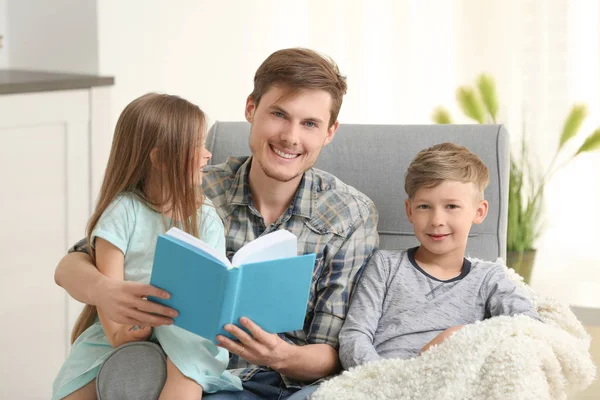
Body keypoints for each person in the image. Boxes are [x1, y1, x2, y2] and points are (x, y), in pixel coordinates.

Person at [54, 48, 379, 399]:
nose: (290, 136)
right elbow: (77, 261)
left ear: (330, 132)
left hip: (287, 385)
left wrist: (281, 356)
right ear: (251, 109)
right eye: (279, 115)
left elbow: (334, 352)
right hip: (195, 376)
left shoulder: (350, 215)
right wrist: (105, 291)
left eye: (310, 124)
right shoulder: (192, 186)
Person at [52, 93, 243, 399]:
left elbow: (212, 291)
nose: (208, 155)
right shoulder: (122, 212)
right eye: (197, 147)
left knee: (187, 369)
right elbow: (110, 299)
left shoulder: (206, 218)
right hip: (124, 324)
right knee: (72, 389)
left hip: (185, 330)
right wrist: (127, 330)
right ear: (160, 159)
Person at [339, 142, 541, 369]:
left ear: (479, 212)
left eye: (452, 206)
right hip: (383, 378)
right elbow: (354, 336)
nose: (437, 220)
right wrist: (381, 377)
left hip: (451, 381)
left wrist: (458, 335)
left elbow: (529, 327)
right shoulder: (385, 265)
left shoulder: (489, 278)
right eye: (425, 206)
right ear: (409, 211)